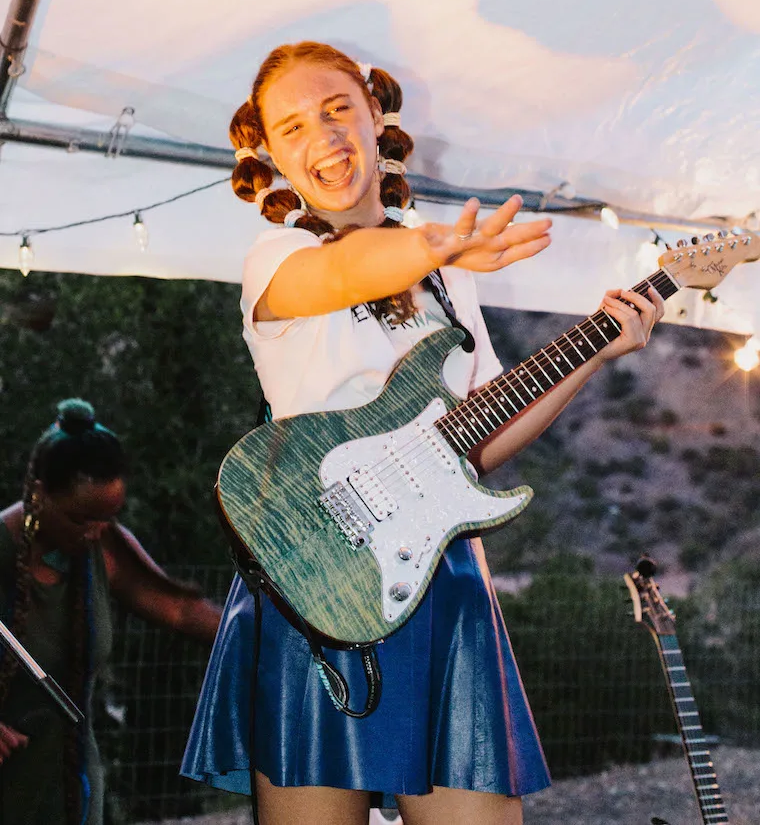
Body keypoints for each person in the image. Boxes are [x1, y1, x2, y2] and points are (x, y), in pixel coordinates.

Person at [182, 40, 664, 825]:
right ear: (269, 151)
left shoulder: (448, 272)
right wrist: (434, 242)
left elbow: (482, 440)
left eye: (339, 110)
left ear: (375, 115)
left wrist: (597, 349)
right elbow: (346, 273)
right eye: (294, 126)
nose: (325, 138)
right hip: (318, 577)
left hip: (440, 577)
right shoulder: (278, 259)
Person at [0, 398, 221, 825]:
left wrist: (274, 632)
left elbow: (179, 610)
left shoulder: (102, 545)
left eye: (109, 517)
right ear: (39, 494)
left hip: (70, 792)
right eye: (82, 518)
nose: (96, 532)